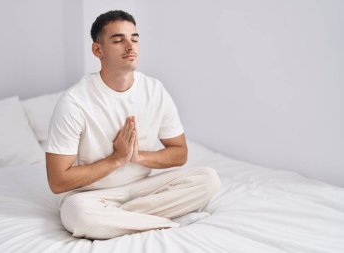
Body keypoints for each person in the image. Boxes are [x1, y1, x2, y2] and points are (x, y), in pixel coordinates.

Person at [45, 10, 221, 240]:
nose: (130, 46)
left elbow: (180, 154)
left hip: (142, 189)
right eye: (118, 40)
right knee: (79, 215)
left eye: (135, 38)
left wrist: (137, 157)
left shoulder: (155, 90)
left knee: (208, 179)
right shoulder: (75, 102)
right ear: (98, 50)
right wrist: (116, 159)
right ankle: (169, 223)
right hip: (91, 196)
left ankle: (123, 219)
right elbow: (58, 182)